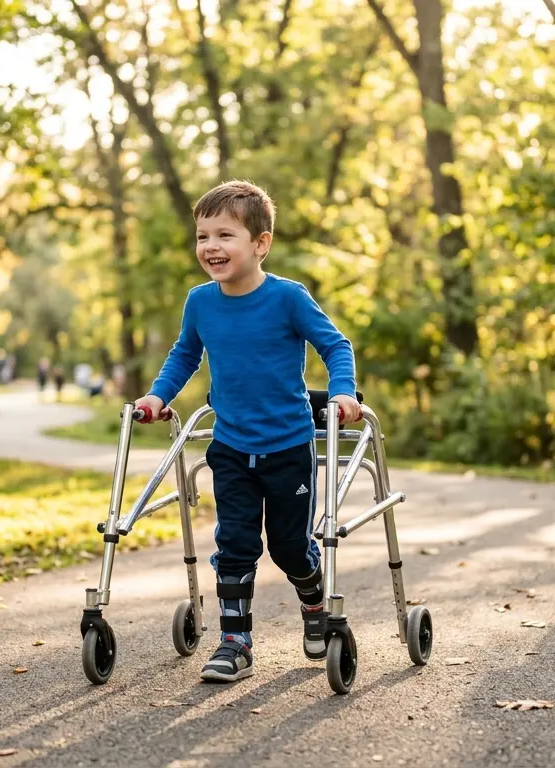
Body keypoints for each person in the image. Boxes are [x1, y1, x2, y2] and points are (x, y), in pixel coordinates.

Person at [133, 180, 360, 683]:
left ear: (261, 243)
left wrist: (343, 391)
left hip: (287, 446)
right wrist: (157, 397)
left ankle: (315, 604)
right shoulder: (200, 302)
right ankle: (235, 642)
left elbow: (335, 345)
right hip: (231, 446)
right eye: (202, 236)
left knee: (289, 546)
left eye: (225, 235)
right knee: (234, 543)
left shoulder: (288, 298)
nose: (210, 247)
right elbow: (184, 356)